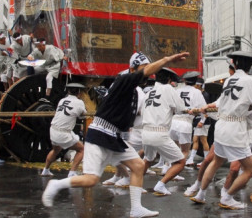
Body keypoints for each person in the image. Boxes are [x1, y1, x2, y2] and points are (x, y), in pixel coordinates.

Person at [42, 51, 189, 218]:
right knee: (91, 180)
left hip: (114, 136)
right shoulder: (125, 80)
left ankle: (136, 209)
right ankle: (57, 184)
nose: (148, 72)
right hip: (101, 134)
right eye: (144, 68)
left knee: (138, 166)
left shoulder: (133, 90)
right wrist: (167, 59)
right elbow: (144, 73)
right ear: (133, 69)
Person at [190, 51, 252, 209]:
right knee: (250, 169)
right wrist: (250, 107)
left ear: (235, 64)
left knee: (216, 161)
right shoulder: (251, 81)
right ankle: (228, 197)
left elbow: (220, 103)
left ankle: (200, 194)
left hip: (221, 126)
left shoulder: (229, 80)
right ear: (250, 66)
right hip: (235, 129)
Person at [141, 67, 187, 196]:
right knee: (180, 162)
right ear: (169, 79)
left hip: (145, 132)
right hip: (159, 132)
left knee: (148, 159)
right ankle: (160, 185)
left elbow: (142, 111)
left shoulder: (149, 92)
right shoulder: (168, 89)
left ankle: (136, 185)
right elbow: (180, 108)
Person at [41, 83, 87, 178]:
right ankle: (72, 172)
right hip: (63, 132)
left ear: (69, 91)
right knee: (82, 149)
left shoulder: (62, 100)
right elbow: (83, 115)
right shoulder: (79, 102)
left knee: (56, 150)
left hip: (53, 129)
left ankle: (45, 170)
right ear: (79, 93)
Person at [168, 71, 206, 173]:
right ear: (195, 82)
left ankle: (167, 168)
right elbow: (204, 108)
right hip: (185, 123)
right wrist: (202, 120)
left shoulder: (177, 90)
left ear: (184, 81)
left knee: (173, 149)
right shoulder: (197, 92)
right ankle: (173, 172)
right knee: (184, 151)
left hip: (174, 122)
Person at [185, 73, 210, 167]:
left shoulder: (205, 94)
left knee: (203, 140)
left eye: (196, 85)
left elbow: (206, 110)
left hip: (203, 120)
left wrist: (202, 121)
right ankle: (191, 159)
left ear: (200, 85)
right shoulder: (198, 93)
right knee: (196, 139)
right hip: (198, 119)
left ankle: (205, 160)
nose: (195, 87)